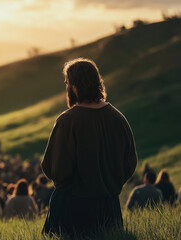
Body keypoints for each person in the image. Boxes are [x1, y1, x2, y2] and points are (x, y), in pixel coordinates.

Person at [41, 58, 137, 238]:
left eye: (68, 83)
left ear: (75, 86)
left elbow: (55, 169)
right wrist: (108, 184)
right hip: (109, 208)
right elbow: (129, 163)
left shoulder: (67, 121)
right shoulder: (118, 118)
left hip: (72, 209)